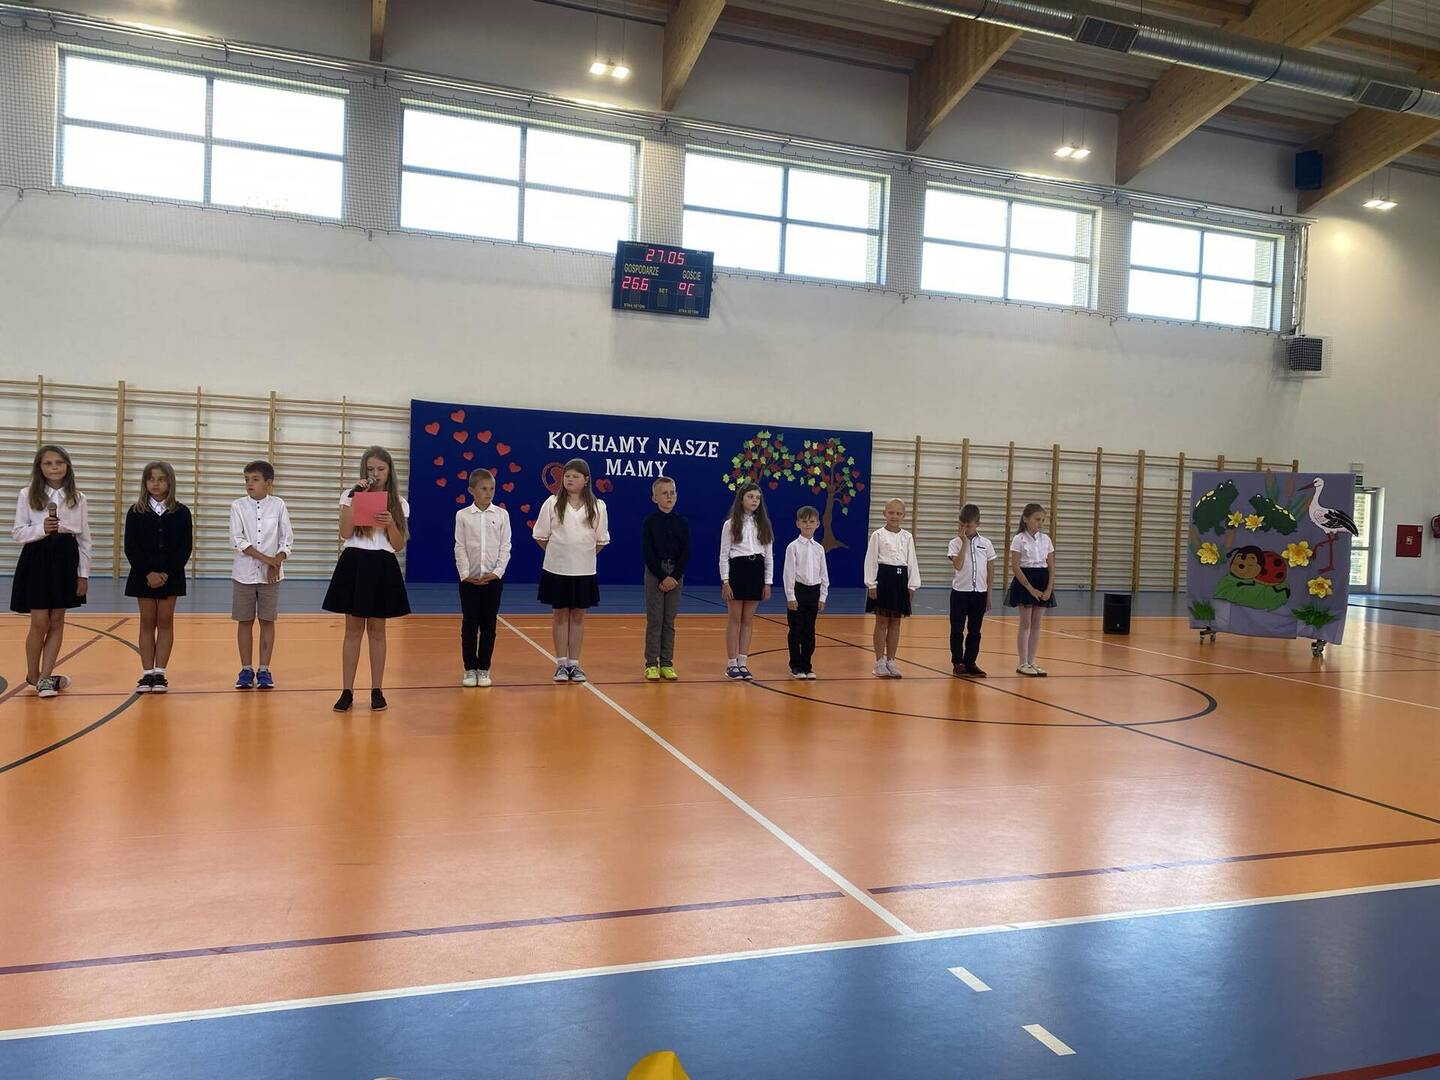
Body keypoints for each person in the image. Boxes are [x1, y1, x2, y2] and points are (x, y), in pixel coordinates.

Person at [323, 446, 411, 711]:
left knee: (377, 631)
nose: (376, 474)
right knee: (352, 631)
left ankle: (377, 690)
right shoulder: (349, 495)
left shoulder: (399, 502)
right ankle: (347, 690)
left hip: (382, 564)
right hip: (355, 562)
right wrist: (354, 498)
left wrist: (390, 523)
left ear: (389, 471)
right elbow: (345, 532)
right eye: (371, 469)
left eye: (381, 469)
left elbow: (398, 545)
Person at [9, 444, 90, 699]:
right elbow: (17, 533)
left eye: (59, 463)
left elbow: (84, 539)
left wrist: (83, 574)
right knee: (40, 621)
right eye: (48, 463)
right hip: (37, 557)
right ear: (40, 468)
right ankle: (33, 675)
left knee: (57, 620)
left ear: (67, 466)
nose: (54, 467)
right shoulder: (27, 494)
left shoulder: (78, 497)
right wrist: (41, 529)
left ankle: (45, 677)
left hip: (65, 559)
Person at [533, 458, 609, 683]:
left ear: (586, 480)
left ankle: (574, 664)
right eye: (567, 476)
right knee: (559, 615)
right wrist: (560, 554)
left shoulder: (598, 506)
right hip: (557, 570)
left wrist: (582, 555)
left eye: (575, 476)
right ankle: (561, 664)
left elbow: (601, 540)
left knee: (577, 617)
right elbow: (540, 535)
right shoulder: (552, 503)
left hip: (584, 571)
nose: (569, 479)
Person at [123, 460, 192, 694]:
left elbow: (184, 548)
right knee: (147, 621)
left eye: (161, 479)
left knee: (165, 621)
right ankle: (147, 673)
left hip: (171, 575)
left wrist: (166, 573)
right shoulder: (135, 511)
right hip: (142, 575)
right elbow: (131, 547)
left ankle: (160, 672)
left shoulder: (181, 512)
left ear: (170, 483)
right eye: (151, 479)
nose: (156, 483)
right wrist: (147, 573)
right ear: (145, 483)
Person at [230, 460, 293, 690]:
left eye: (255, 479)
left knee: (267, 621)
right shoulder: (237, 506)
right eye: (246, 479)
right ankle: (246, 669)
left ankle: (264, 669)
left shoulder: (278, 505)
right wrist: (268, 560)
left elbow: (287, 538)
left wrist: (278, 560)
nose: (250, 483)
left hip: (271, 577)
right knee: (245, 621)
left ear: (268, 483)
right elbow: (238, 540)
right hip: (244, 575)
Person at [455, 469, 511, 688]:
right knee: (470, 624)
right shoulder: (462, 516)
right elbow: (460, 546)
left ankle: (484, 668)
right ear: (471, 490)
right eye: (484, 489)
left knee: (489, 625)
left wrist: (497, 572)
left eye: (492, 489)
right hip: (469, 582)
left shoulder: (502, 515)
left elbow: (505, 546)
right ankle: (470, 668)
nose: (489, 493)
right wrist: (465, 574)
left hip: (493, 581)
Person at [719, 481, 773, 681]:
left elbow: (769, 556)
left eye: (757, 498)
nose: (754, 501)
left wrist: (767, 582)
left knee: (748, 620)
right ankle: (731, 663)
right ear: (741, 499)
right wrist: (725, 581)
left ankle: (743, 662)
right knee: (735, 619)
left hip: (756, 572)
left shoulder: (764, 525)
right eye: (750, 497)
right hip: (737, 571)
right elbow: (724, 555)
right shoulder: (730, 524)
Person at [864, 498, 921, 678]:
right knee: (881, 622)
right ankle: (879, 662)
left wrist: (912, 585)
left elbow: (912, 561)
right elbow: (871, 560)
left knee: (896, 623)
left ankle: (891, 661)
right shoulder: (878, 535)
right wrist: (871, 584)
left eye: (898, 513)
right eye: (891, 513)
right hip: (883, 579)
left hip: (900, 581)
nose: (894, 516)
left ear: (903, 515)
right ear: (884, 514)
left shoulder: (907, 537)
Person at [641, 476, 689, 682]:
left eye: (672, 493)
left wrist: (674, 576)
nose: (669, 497)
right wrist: (662, 576)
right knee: (655, 620)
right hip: (655, 574)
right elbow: (648, 552)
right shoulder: (650, 522)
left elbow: (686, 553)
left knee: (669, 621)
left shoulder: (682, 523)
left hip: (675, 575)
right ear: (655, 498)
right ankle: (651, 664)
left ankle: (667, 663)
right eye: (664, 493)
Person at [1007, 501, 1057, 677]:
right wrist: (1030, 589)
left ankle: (1032, 660)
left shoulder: (1046, 539)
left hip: (1042, 579)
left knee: (1037, 623)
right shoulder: (1019, 539)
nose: (1040, 523)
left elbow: (1051, 567)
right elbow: (1015, 566)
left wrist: (1049, 588)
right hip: (1025, 580)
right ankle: (1022, 662)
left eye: (1042, 520)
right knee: (1026, 623)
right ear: (1026, 519)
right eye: (1037, 519)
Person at [948, 503, 996, 678]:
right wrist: (965, 543)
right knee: (957, 629)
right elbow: (958, 565)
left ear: (978, 524)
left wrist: (989, 593)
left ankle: (970, 662)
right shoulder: (955, 543)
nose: (964, 529)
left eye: (968, 525)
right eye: (962, 525)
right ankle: (958, 662)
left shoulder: (986, 544)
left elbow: (990, 568)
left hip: (979, 593)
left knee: (975, 630)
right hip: (960, 593)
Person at [783, 505, 829, 680]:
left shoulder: (819, 548)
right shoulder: (793, 547)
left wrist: (823, 596)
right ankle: (795, 665)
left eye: (811, 521)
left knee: (809, 631)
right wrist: (790, 596)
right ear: (798, 524)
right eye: (804, 521)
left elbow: (824, 574)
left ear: (818, 524)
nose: (808, 524)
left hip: (814, 592)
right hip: (798, 591)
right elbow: (789, 573)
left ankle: (807, 665)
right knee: (796, 630)